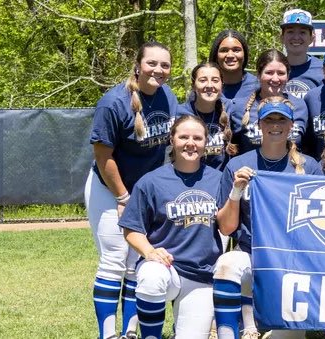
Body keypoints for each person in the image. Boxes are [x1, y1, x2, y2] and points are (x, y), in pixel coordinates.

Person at [120, 114, 246, 339]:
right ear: (172, 140)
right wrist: (149, 251)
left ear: (206, 142)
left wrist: (235, 192)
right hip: (166, 267)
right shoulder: (151, 181)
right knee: (151, 276)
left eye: (197, 138)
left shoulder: (217, 179)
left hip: (201, 274)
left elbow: (227, 228)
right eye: (184, 137)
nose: (191, 143)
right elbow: (131, 229)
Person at [86, 41, 178, 339]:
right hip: (109, 188)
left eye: (164, 65)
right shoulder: (114, 102)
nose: (158, 70)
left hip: (145, 193)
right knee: (114, 259)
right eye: (152, 63)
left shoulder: (167, 97)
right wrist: (123, 197)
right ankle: (108, 334)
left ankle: (129, 332)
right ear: (138, 65)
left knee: (136, 262)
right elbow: (103, 157)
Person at [213, 99, 324, 339]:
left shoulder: (309, 167)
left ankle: (260, 323)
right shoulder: (238, 165)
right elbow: (226, 227)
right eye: (269, 120)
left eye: (281, 119)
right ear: (259, 125)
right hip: (252, 253)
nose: (275, 125)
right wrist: (236, 192)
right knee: (226, 264)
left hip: (294, 262)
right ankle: (230, 332)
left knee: (286, 337)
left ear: (291, 125)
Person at [232, 49, 309, 155]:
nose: (275, 79)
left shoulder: (299, 106)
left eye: (281, 73)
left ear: (288, 75)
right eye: (269, 73)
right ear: (258, 75)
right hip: (251, 170)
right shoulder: (240, 108)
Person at [179, 62, 234, 170]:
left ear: (222, 85)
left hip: (221, 180)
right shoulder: (180, 114)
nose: (209, 85)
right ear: (193, 85)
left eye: (215, 80)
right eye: (203, 80)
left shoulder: (230, 110)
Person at [209, 29, 259, 145]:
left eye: (236, 50)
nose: (230, 55)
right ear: (216, 55)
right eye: (224, 50)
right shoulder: (206, 88)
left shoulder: (259, 86)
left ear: (245, 54)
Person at [279, 9, 325, 99]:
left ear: (312, 38)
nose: (296, 37)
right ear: (282, 37)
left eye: (302, 32)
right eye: (290, 32)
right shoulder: (273, 69)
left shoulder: (324, 69)